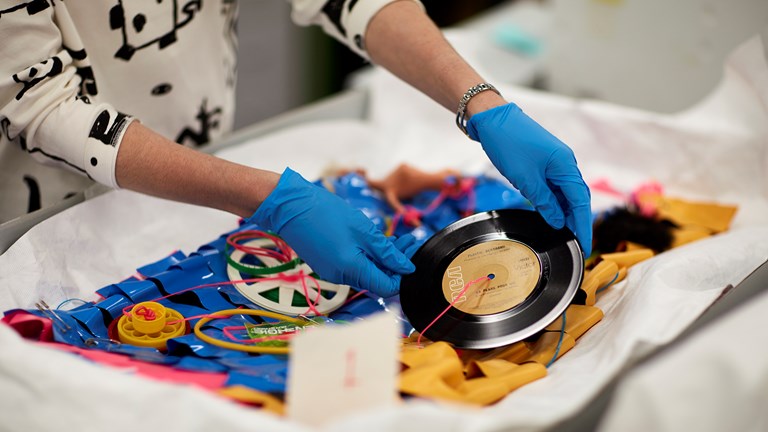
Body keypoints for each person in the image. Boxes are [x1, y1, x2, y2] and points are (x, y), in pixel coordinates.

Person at [0, 0, 591, 297]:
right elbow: (41, 104)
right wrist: (269, 199)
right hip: (29, 213)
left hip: (192, 156)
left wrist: (482, 103)